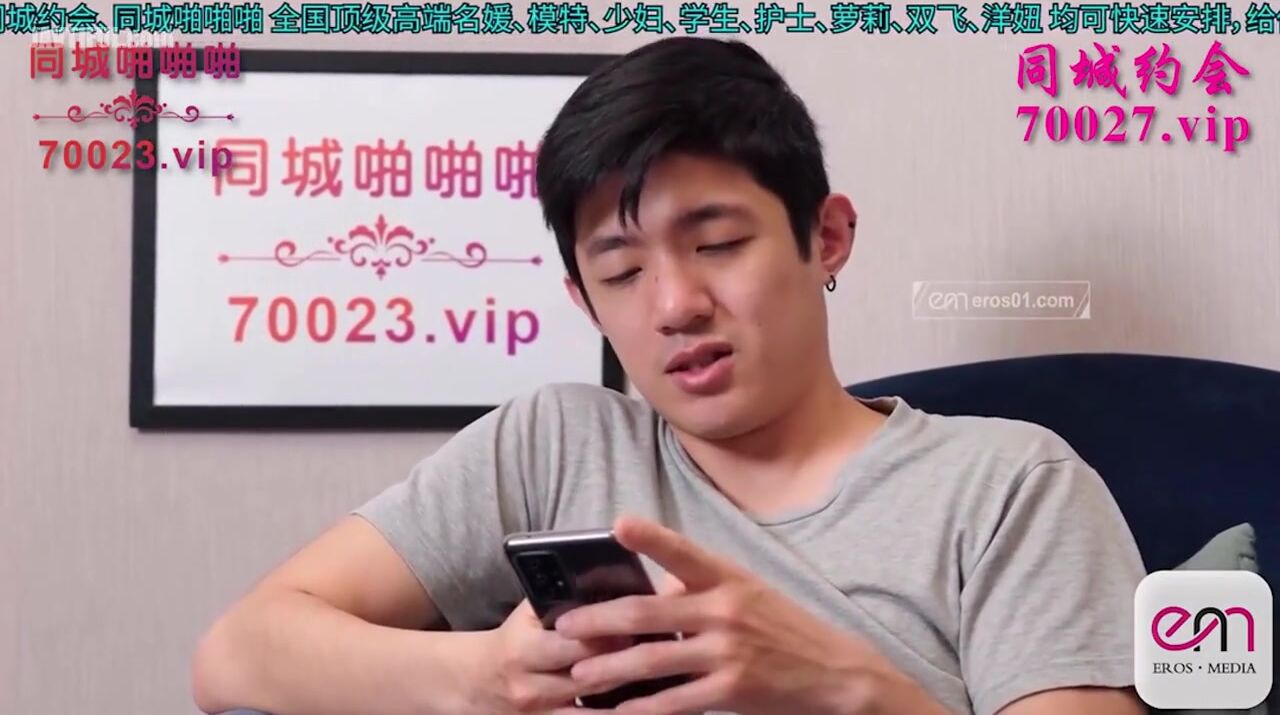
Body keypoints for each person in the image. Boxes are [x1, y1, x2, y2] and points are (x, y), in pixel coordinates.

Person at [191, 37, 1148, 715]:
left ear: (826, 237)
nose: (675, 304)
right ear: (584, 301)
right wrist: (485, 676)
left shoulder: (1008, 485)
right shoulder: (553, 447)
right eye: (621, 272)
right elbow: (237, 652)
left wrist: (842, 687)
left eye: (717, 243)